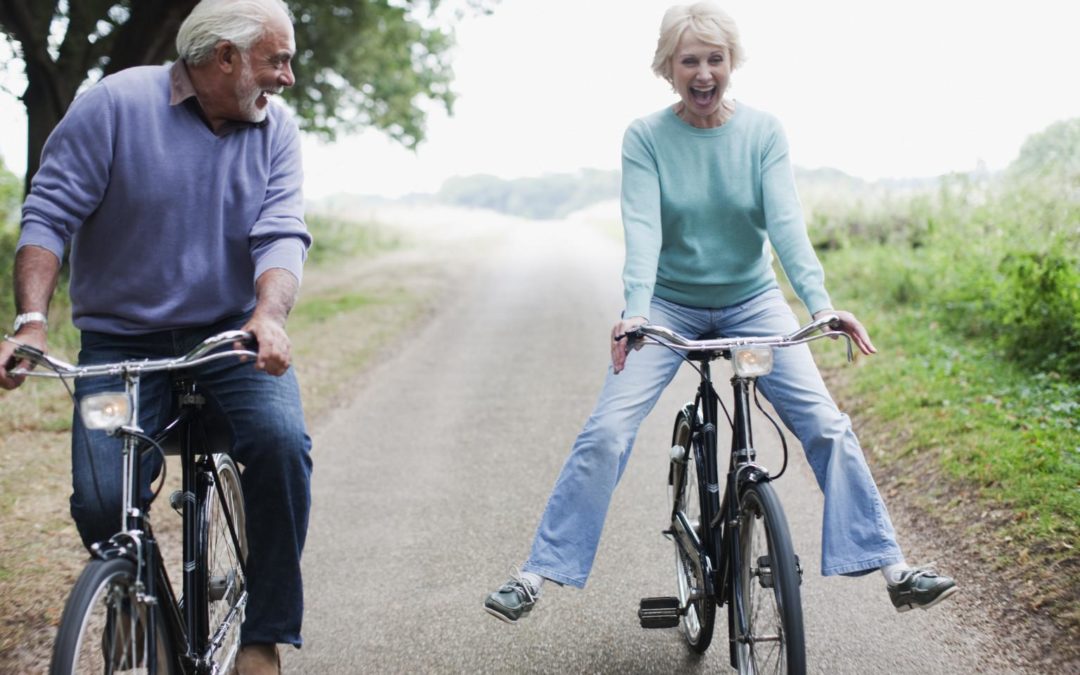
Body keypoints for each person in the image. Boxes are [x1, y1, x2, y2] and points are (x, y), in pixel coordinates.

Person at [484, 1, 957, 624]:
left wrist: (821, 306)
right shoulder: (646, 137)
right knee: (607, 431)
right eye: (690, 62)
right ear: (667, 69)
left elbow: (786, 228)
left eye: (715, 60)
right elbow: (644, 232)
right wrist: (635, 313)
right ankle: (536, 574)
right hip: (669, 308)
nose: (704, 73)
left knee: (825, 423)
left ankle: (894, 569)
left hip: (752, 304)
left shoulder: (762, 132)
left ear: (731, 64)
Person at [0, 0, 311, 672]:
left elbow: (281, 233)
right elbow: (49, 215)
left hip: (229, 341)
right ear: (224, 57)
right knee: (98, 499)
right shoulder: (113, 107)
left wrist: (269, 315)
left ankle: (263, 634)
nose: (288, 77)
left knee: (282, 444)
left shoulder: (276, 130)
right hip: (119, 349)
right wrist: (31, 320)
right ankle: (136, 599)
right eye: (276, 59)